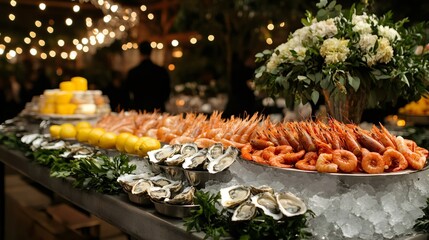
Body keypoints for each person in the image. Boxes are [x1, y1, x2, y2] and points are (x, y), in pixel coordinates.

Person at [124, 41, 171, 112]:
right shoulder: (161, 71)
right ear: (151, 52)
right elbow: (167, 91)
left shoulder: (133, 72)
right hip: (158, 108)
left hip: (139, 109)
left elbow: (127, 92)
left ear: (139, 52)